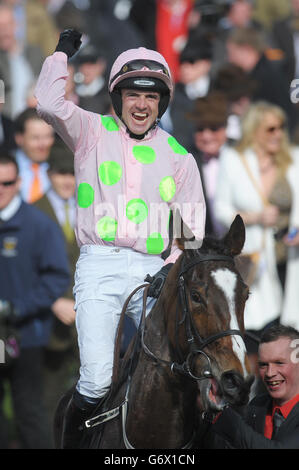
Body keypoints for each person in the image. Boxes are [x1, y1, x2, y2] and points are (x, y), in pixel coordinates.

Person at [34, 29, 206, 448]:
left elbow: (189, 231)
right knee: (95, 381)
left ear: (162, 102)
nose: (142, 105)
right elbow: (47, 104)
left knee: (180, 371)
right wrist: (60, 55)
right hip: (98, 265)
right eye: (133, 95)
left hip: (153, 271)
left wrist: (169, 268)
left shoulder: (180, 157)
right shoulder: (90, 132)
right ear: (118, 98)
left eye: (151, 97)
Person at [214, 101, 299, 377]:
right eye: (271, 128)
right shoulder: (234, 160)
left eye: (281, 128)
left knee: (287, 333)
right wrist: (256, 217)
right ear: (255, 131)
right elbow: (221, 210)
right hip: (255, 260)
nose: (278, 134)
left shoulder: (293, 158)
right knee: (253, 333)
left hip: (290, 260)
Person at [0, 152, 70, 449]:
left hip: (25, 335)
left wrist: (15, 306)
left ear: (17, 183)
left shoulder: (38, 225)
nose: (0, 189)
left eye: (5, 182)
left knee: (29, 409)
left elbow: (55, 278)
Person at [34, 141, 80, 441]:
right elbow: (25, 269)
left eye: (72, 173)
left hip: (86, 316)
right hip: (47, 321)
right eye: (61, 173)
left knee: (89, 394)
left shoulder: (91, 209)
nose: (67, 180)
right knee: (47, 398)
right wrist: (53, 302)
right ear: (48, 174)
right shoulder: (34, 211)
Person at [202, 324, 299, 448]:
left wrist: (222, 414)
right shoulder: (258, 405)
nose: (269, 373)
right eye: (263, 365)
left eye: (279, 363)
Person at [186, 91, 229, 238]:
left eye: (214, 128)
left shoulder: (241, 157)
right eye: (200, 129)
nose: (206, 136)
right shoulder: (187, 162)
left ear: (226, 128)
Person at [14, 108, 55, 203]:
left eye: (47, 136)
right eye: (35, 138)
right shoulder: (6, 167)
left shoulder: (61, 167)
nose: (43, 144)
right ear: (19, 138)